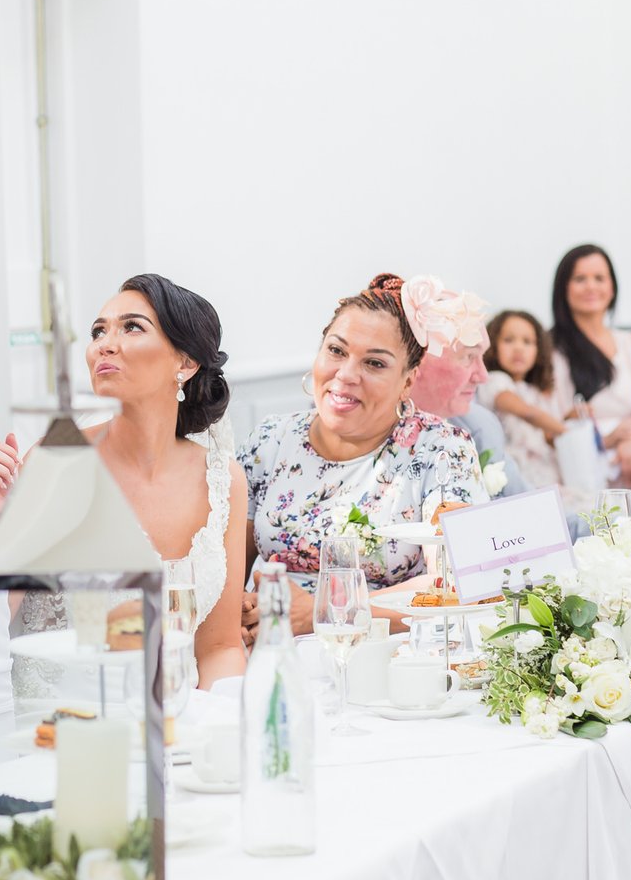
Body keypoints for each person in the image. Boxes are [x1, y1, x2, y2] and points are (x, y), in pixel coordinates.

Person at [0, 273, 247, 689]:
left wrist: (213, 724)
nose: (104, 344)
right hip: (64, 726)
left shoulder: (223, 481)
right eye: (99, 331)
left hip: (180, 724)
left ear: (185, 363)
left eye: (131, 326)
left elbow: (220, 648)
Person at [237, 274, 487, 643]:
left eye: (375, 364)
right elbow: (224, 572)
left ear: (407, 380)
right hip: (273, 653)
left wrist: (328, 611)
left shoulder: (443, 450)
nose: (346, 375)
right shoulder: (271, 441)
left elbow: (455, 582)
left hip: (391, 660)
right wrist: (244, 609)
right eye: (336, 351)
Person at [549, 244, 631, 498]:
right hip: (580, 450)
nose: (591, 287)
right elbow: (552, 420)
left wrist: (630, 437)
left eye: (599, 278)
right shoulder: (548, 347)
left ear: (612, 287)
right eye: (580, 279)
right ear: (563, 288)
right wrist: (605, 439)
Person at [406, 289, 526, 499]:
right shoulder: (364, 428)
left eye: (482, 357)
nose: (482, 376)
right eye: (469, 357)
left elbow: (531, 507)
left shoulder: (481, 426)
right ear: (420, 358)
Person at [478, 309, 563, 490]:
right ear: (492, 345)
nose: (518, 348)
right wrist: (565, 429)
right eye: (508, 340)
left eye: (527, 342)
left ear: (538, 350)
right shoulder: (495, 380)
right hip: (518, 475)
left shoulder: (534, 391)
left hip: (546, 473)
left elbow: (548, 436)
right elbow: (527, 412)